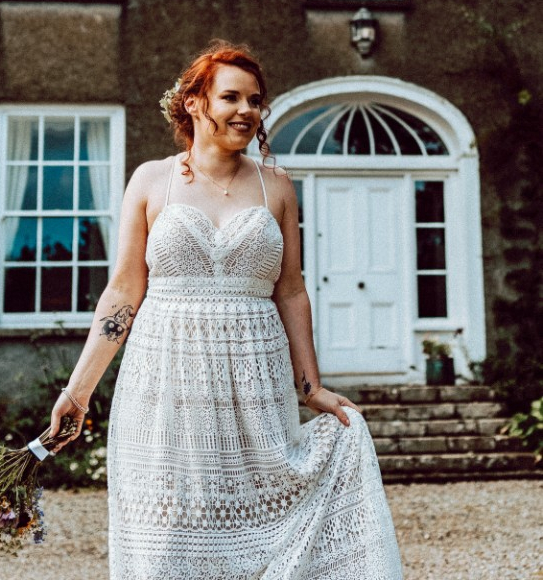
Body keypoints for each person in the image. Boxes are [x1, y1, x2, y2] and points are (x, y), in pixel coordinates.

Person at [50, 41, 403, 580]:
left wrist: (311, 387)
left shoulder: (276, 186)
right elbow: (122, 292)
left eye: (255, 100)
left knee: (259, 526)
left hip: (254, 379)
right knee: (167, 539)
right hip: (165, 378)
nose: (247, 110)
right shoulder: (151, 180)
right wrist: (78, 393)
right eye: (231, 97)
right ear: (194, 103)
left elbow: (291, 291)